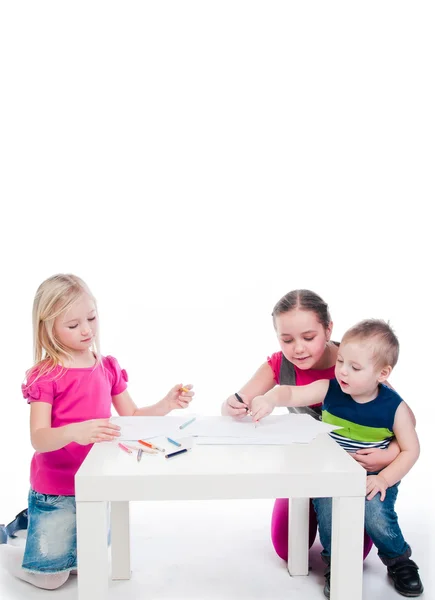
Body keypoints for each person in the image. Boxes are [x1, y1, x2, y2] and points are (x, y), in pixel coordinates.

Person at [0, 274, 194, 590]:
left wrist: (167, 403)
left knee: (83, 566)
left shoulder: (106, 367)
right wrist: (76, 431)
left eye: (91, 318)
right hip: (57, 488)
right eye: (73, 325)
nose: (87, 330)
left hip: (95, 482)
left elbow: (131, 415)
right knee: (51, 579)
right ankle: (7, 549)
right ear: (48, 327)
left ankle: (37, 540)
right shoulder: (46, 376)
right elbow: (39, 437)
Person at [221, 289, 415, 561]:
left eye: (309, 337)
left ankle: (388, 555)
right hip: (308, 464)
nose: (298, 348)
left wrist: (392, 454)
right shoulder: (281, 365)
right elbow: (243, 401)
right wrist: (234, 404)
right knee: (288, 548)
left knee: (353, 552)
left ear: (328, 329)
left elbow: (400, 418)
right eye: (286, 340)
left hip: (353, 467)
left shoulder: (355, 361)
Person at [250, 319, 423, 598]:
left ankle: (399, 560)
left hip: (375, 477)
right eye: (341, 361)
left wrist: (384, 477)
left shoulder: (395, 407)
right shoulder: (329, 389)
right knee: (329, 516)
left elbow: (411, 449)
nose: (342, 371)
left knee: (377, 516)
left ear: (382, 373)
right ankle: (336, 565)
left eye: (354, 368)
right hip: (333, 475)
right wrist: (270, 398)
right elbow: (291, 392)